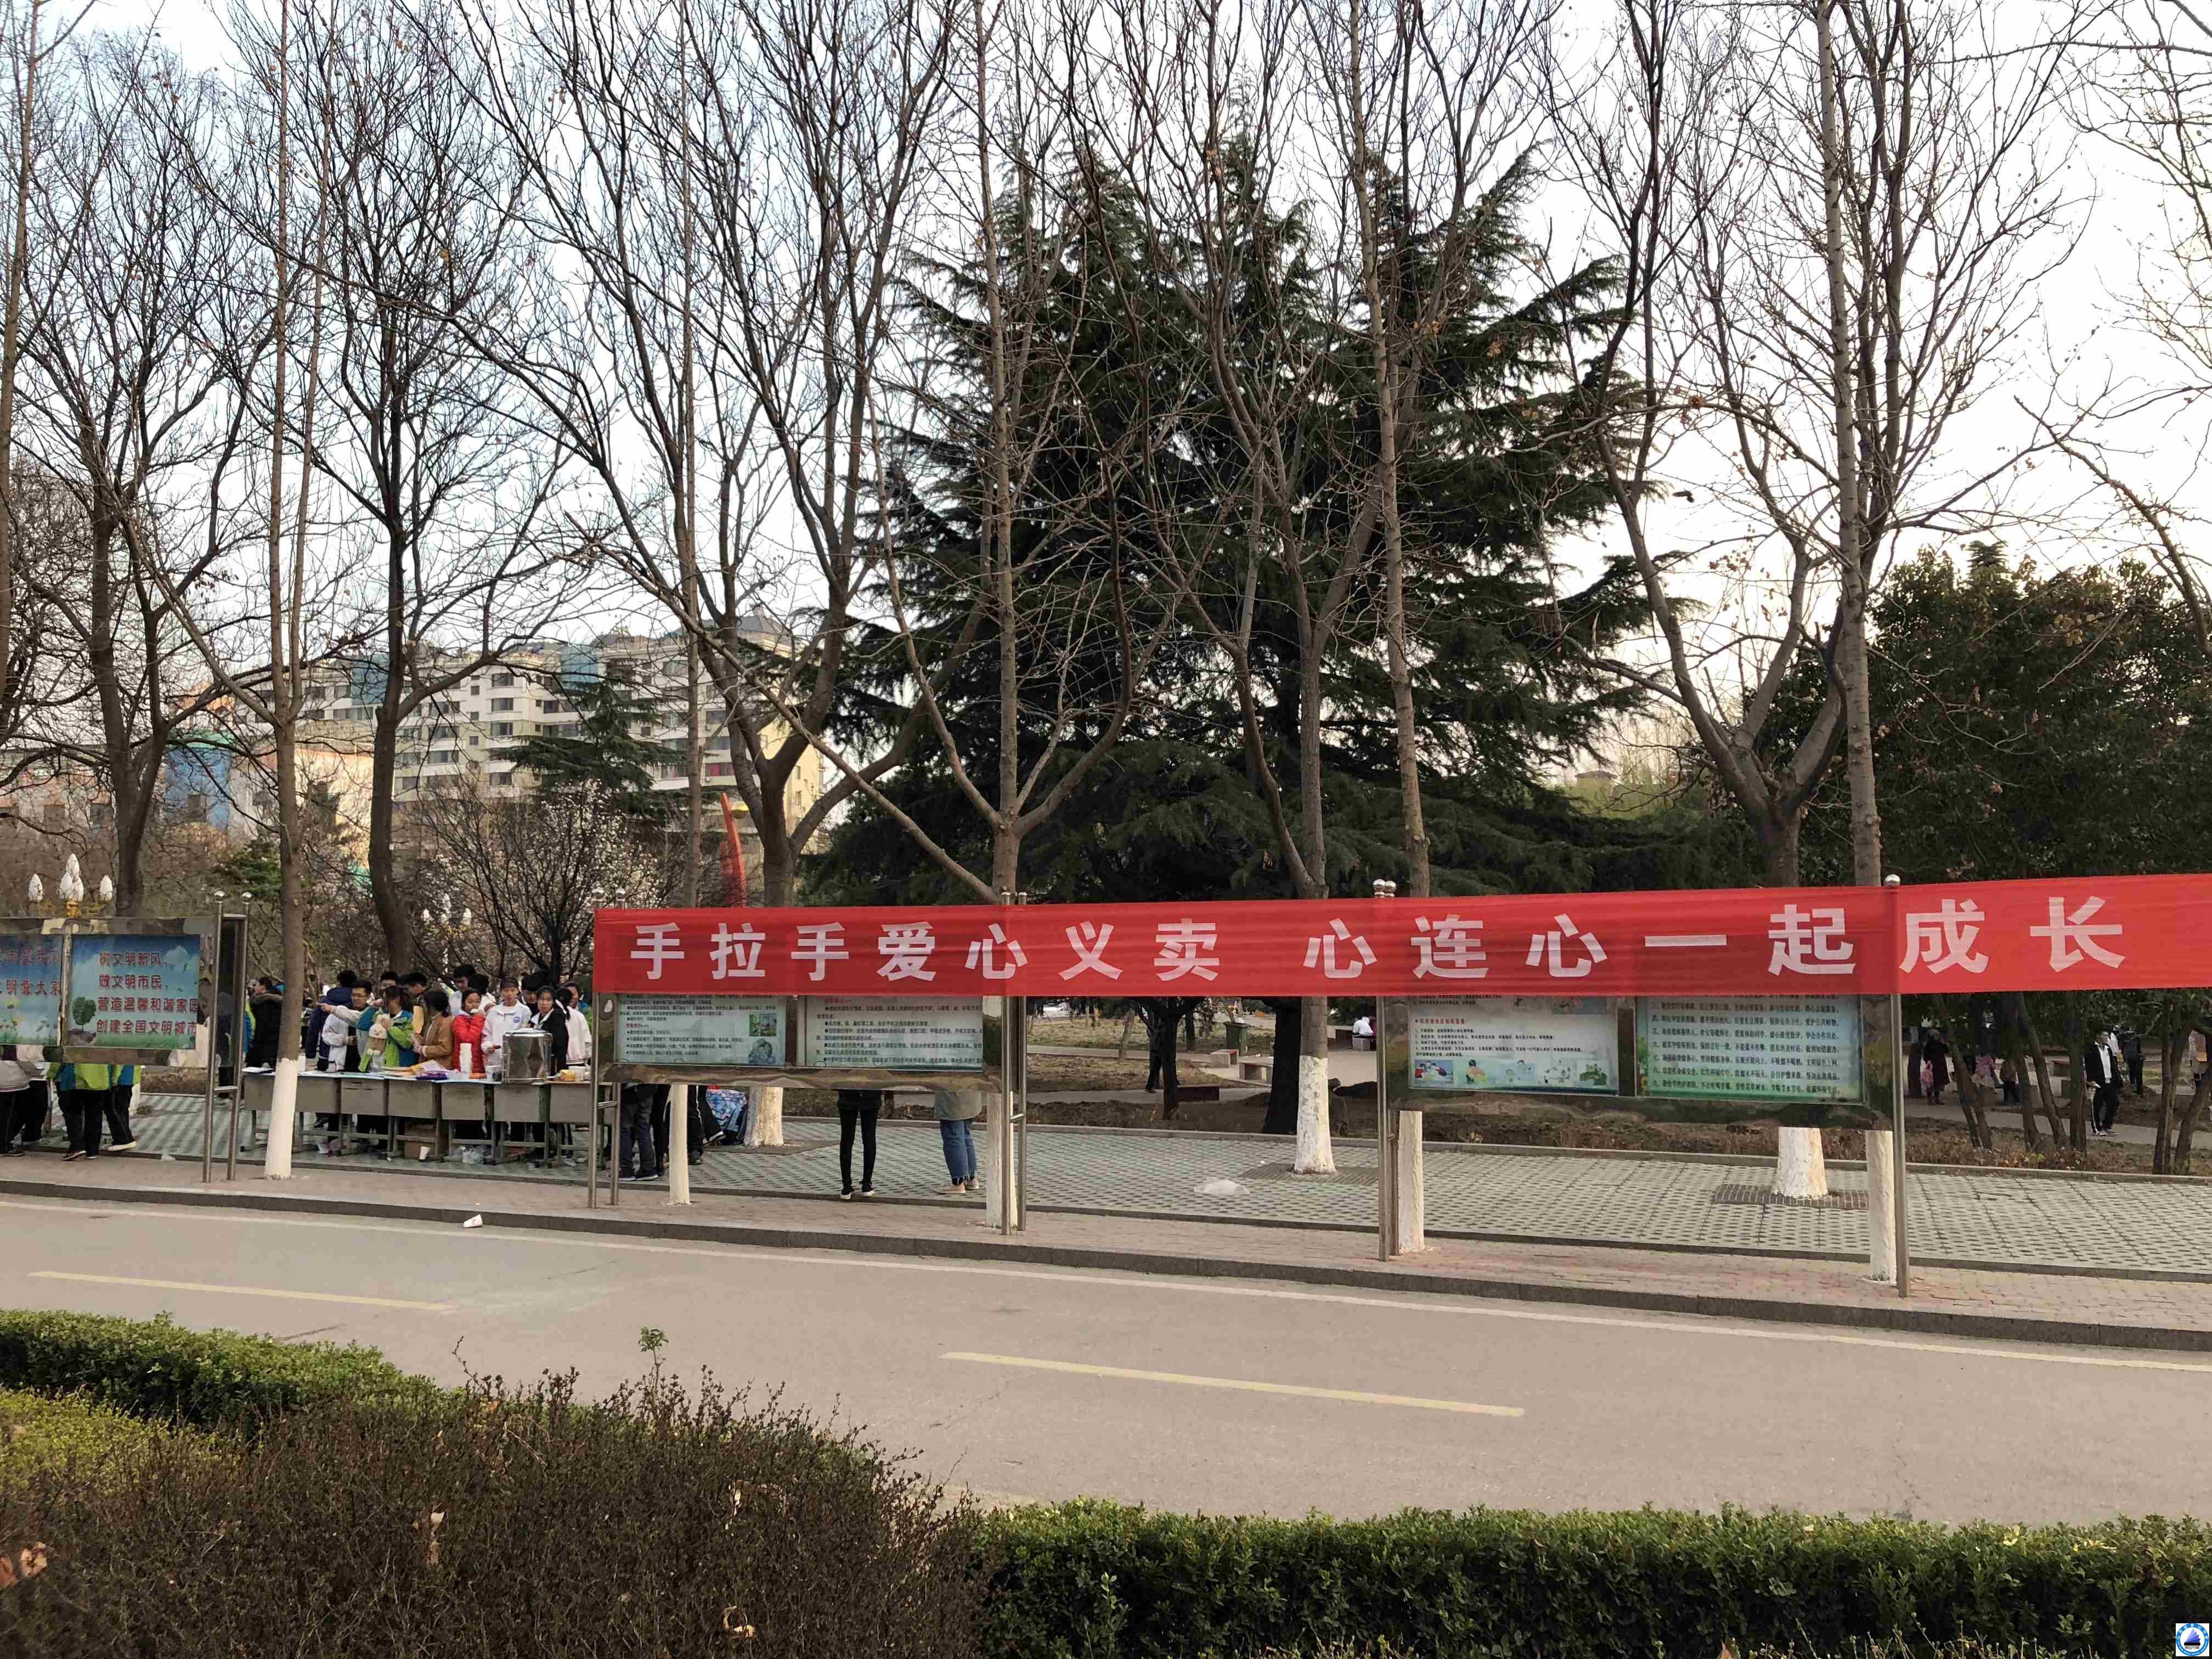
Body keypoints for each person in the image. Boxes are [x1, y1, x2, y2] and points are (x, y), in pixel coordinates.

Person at [54, 1061, 110, 1161]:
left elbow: (61, 1057)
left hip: (75, 1078)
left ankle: (77, 1147)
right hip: (100, 1080)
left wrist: (52, 1074)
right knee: (95, 1115)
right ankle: (92, 1151)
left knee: (72, 1114)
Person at [932, 1087, 980, 1195]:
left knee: (953, 1137)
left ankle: (958, 1184)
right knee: (965, 1135)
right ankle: (970, 1179)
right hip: (971, 1093)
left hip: (952, 1096)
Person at [836, 1088, 882, 1199]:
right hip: (871, 1096)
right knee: (869, 1139)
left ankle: (846, 1187)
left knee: (846, 1140)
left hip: (847, 1095)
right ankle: (867, 1185)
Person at [481, 978, 532, 1078]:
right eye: (506, 991)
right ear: (501, 992)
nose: (509, 994)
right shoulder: (494, 1011)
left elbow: (526, 1036)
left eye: (513, 991)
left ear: (518, 991)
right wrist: (488, 1046)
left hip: (516, 1060)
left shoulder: (524, 1011)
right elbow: (487, 1034)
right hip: (495, 1059)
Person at [620, 1080, 664, 1183]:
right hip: (648, 1089)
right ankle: (648, 1168)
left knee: (625, 1130)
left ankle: (626, 1170)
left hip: (629, 1091)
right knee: (644, 1129)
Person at [0, 1047, 37, 1155]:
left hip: (7, 1083)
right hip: (12, 1083)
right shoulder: (15, 1044)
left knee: (5, 1117)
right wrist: (38, 1072)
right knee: (9, 1117)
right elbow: (25, 1063)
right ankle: (4, 1147)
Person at [245, 977, 284, 1069]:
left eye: (256, 985)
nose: (254, 988)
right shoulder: (277, 999)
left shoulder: (263, 1002)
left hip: (264, 1037)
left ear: (263, 986)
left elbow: (263, 1021)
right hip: (272, 1037)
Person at [531, 986, 571, 1074]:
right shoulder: (534, 1018)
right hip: (536, 1064)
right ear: (537, 1000)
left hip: (553, 1065)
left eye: (549, 1000)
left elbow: (559, 1043)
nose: (545, 1003)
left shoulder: (557, 1017)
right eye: (542, 999)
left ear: (553, 1002)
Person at [99, 1064, 137, 1152]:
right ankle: (119, 1139)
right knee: (116, 1109)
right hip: (125, 1078)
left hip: (121, 1079)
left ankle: (125, 1140)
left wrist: (113, 1081)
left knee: (116, 1109)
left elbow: (118, 1063)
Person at [415, 987, 456, 1069]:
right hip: (429, 1065)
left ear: (432, 1006)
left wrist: (423, 1049)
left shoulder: (446, 1022)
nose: (423, 1006)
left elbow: (445, 1048)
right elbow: (433, 1041)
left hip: (441, 1066)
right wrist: (420, 1040)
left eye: (425, 1003)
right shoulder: (431, 1019)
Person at [453, 989, 486, 1075]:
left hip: (480, 1064)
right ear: (463, 1003)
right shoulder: (459, 1019)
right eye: (470, 1002)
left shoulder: (483, 1018)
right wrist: (478, 1019)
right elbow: (467, 1039)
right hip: (464, 1065)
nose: (474, 1005)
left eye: (478, 1002)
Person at [1922, 1027, 1953, 1104]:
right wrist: (1929, 1062)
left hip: (1940, 1066)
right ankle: (1930, 1100)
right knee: (1931, 1082)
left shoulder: (1940, 1044)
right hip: (1932, 1066)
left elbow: (1947, 1051)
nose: (1938, 1037)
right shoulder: (1929, 1045)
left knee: (1938, 1083)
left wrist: (1944, 1043)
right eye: (1936, 1035)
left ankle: (1937, 1099)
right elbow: (1925, 1055)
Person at [2121, 1029, 2145, 1098]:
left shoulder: (2137, 1038)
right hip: (2130, 1059)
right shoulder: (2124, 1038)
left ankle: (2140, 1091)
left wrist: (2140, 1056)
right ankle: (2133, 1087)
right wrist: (2124, 1058)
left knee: (2138, 1074)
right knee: (2132, 1073)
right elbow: (2123, 1049)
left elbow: (2139, 1049)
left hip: (2138, 1059)